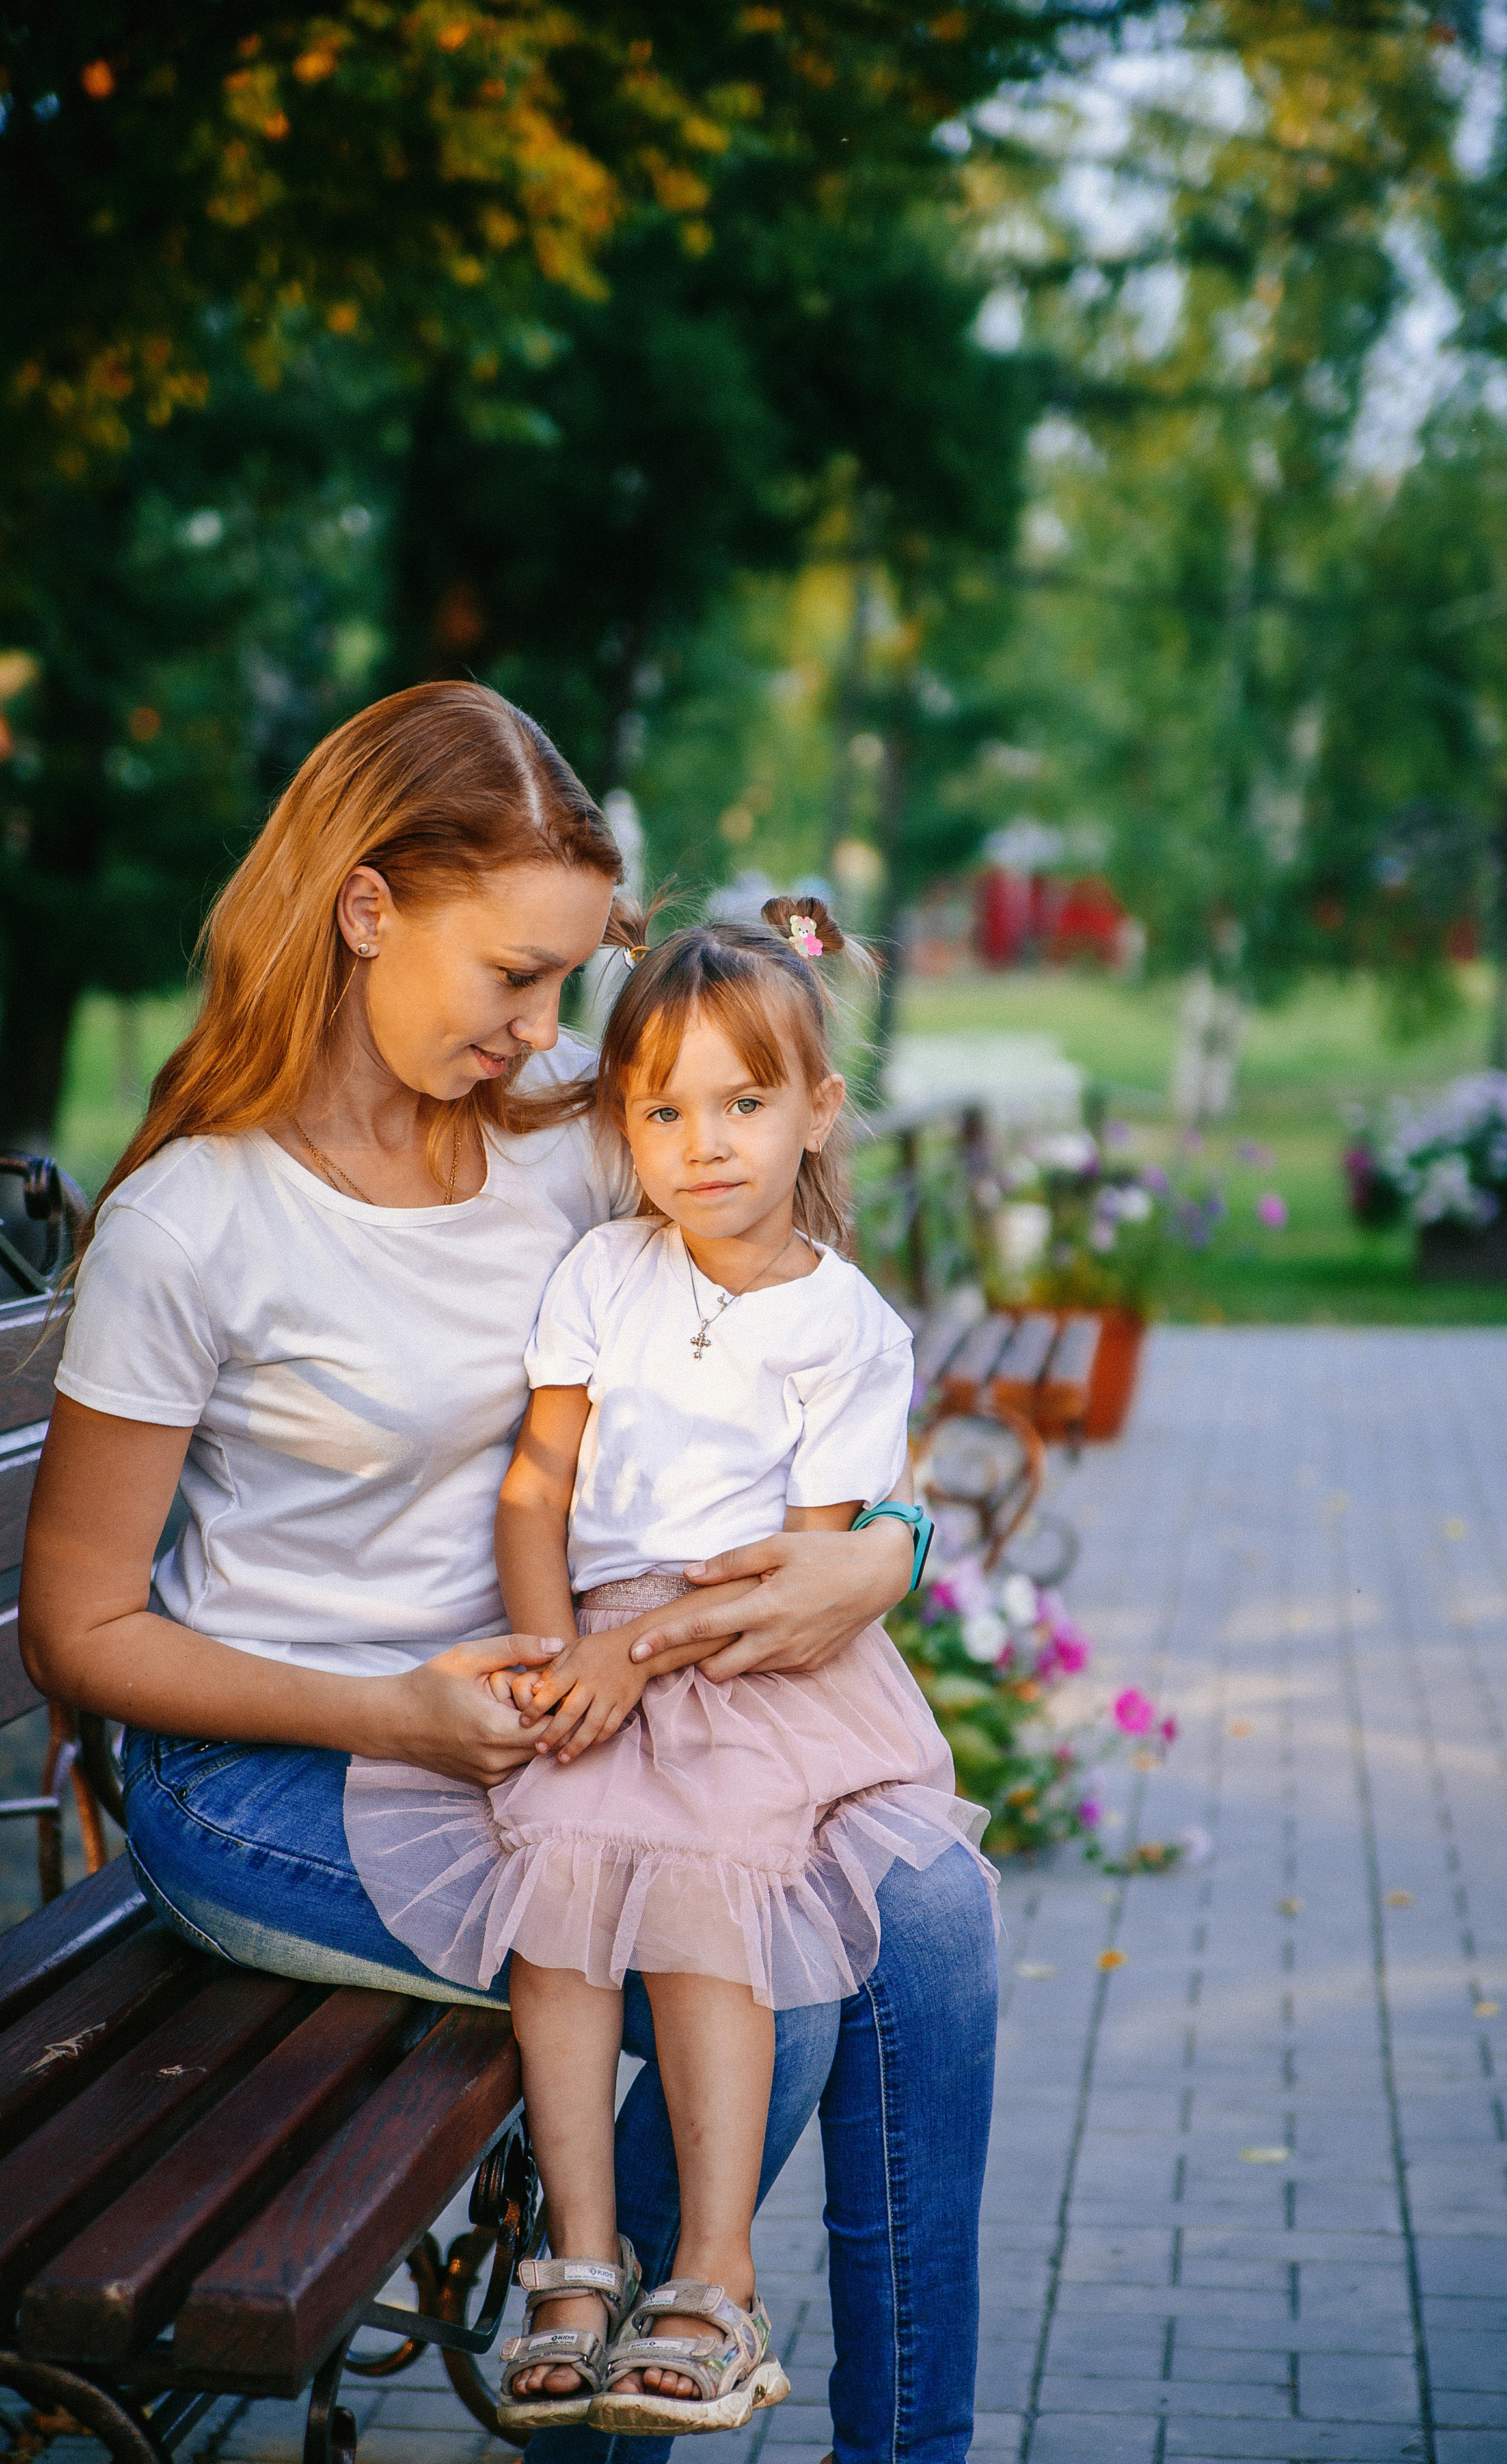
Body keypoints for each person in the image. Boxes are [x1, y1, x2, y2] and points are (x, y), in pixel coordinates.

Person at [18, 680, 999, 2464]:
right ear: (368, 906)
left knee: (936, 1920)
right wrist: (389, 1706)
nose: (552, 1032)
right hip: (281, 1771)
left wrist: (891, 1550)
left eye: (568, 983)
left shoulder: (564, 1141)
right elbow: (74, 1631)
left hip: (574, 1712)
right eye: (518, 979)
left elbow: (791, 1338)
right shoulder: (200, 1222)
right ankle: (601, 2380)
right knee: (768, 1982)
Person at [344, 900, 996, 2436]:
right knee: (557, 1894)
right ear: (626, 1124)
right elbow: (536, 1486)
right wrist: (545, 1653)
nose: (702, 1145)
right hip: (595, 1647)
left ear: (816, 1111)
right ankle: (578, 2260)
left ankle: (712, 2268)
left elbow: (791, 1571)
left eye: (745, 1104)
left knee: (712, 1900)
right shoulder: (601, 1273)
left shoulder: (847, 1329)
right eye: (663, 1111)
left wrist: (632, 1655)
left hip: (744, 1663)